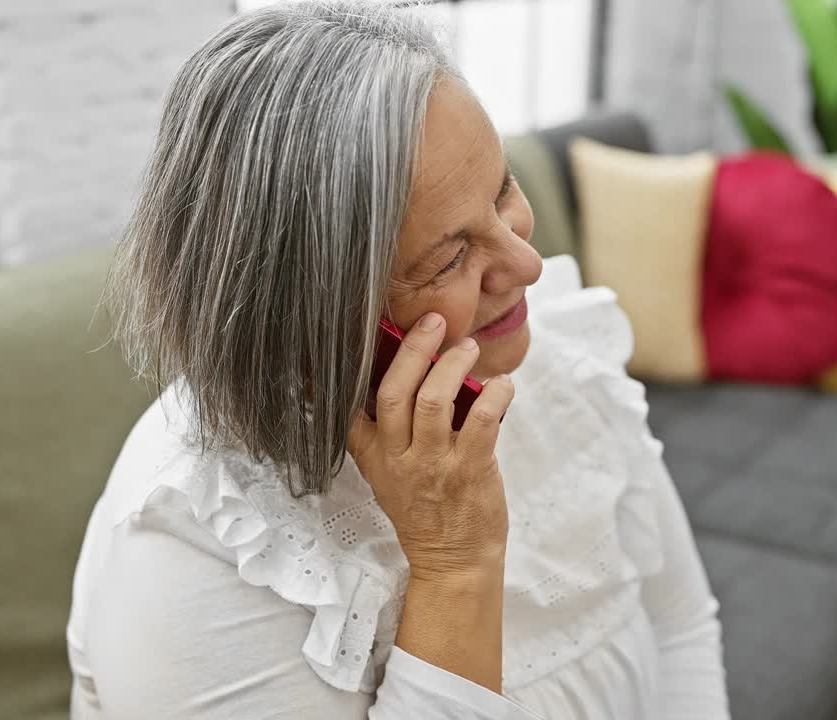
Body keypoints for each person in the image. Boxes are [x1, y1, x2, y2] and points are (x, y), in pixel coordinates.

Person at [67, 1, 729, 717]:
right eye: (449, 257)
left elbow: (682, 625)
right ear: (315, 320)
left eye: (503, 187)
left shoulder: (532, 354)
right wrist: (454, 566)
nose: (528, 263)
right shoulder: (190, 545)